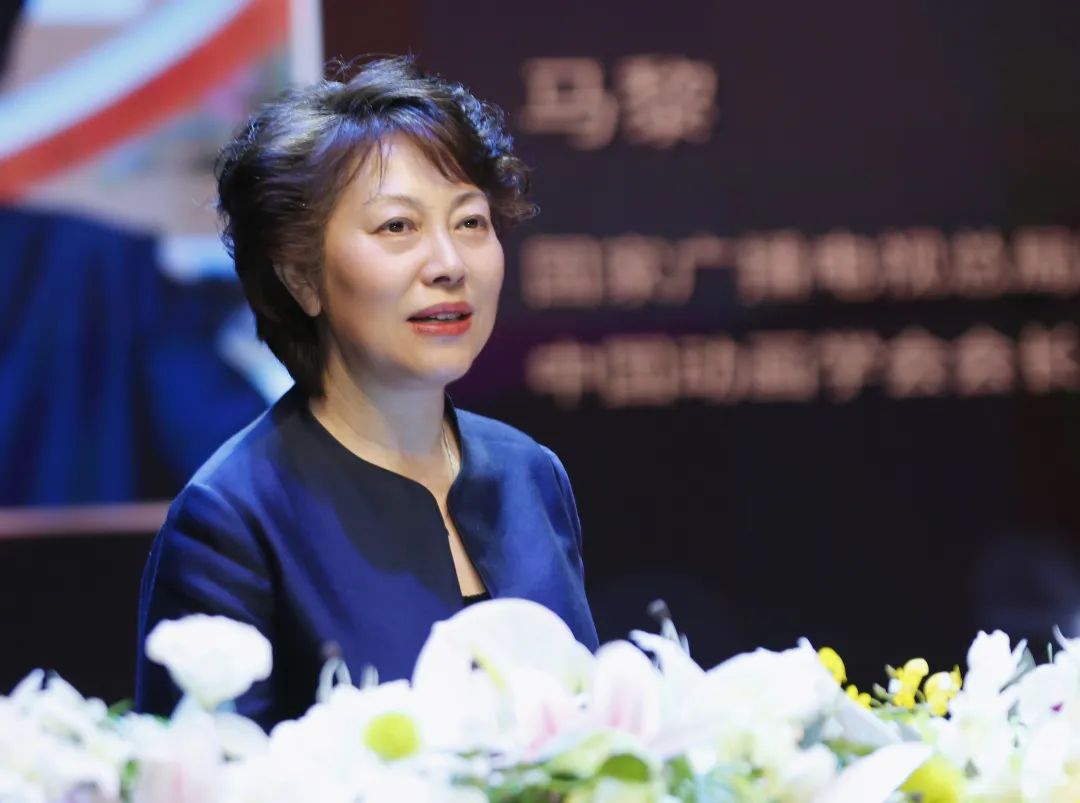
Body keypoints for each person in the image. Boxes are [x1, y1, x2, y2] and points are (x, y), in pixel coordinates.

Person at [135, 57, 599, 729]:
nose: (448, 264)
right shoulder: (231, 520)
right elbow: (208, 765)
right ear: (301, 277)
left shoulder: (531, 473)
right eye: (397, 227)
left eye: (470, 222)